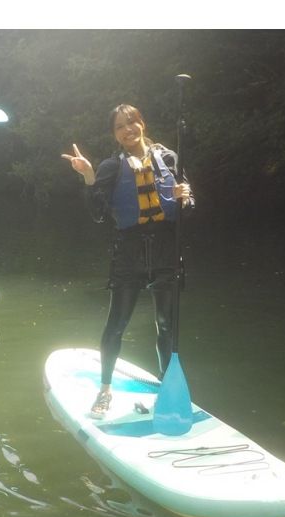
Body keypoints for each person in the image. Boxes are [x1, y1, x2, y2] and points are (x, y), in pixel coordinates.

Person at [62, 104, 195, 419]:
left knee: (166, 326)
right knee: (116, 325)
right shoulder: (111, 167)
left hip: (165, 252)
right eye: (120, 126)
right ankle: (105, 390)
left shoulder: (169, 158)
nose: (127, 130)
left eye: (131, 122)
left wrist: (185, 197)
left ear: (142, 123)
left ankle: (167, 388)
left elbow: (188, 207)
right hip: (129, 255)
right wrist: (89, 175)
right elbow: (98, 214)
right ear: (115, 134)